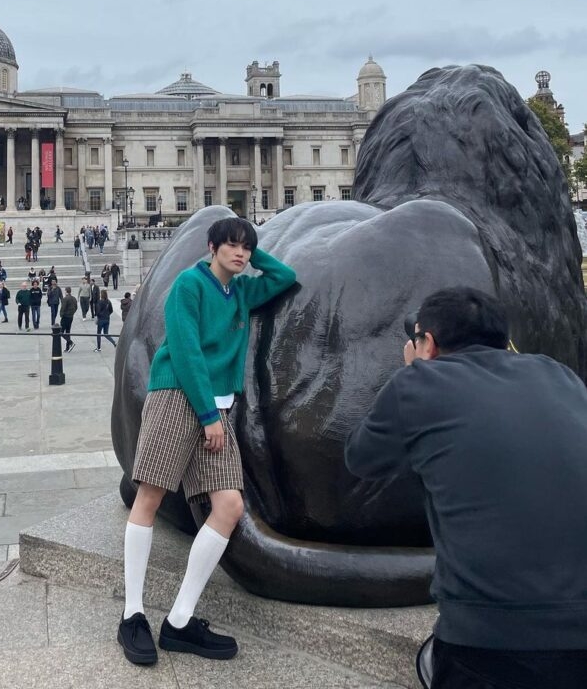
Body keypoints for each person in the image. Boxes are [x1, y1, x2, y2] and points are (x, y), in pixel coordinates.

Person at [344, 287, 587, 689]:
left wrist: (411, 372)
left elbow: (361, 458)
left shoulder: (419, 382)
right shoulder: (560, 375)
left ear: (428, 343)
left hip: (488, 640)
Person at [117, 217, 296, 666]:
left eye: (245, 249)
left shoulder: (241, 294)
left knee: (229, 506)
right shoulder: (188, 285)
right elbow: (186, 349)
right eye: (231, 246)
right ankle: (132, 614)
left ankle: (178, 621)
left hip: (215, 409)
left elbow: (285, 278)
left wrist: (257, 247)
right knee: (151, 496)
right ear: (212, 247)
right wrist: (208, 415)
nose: (239, 254)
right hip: (179, 396)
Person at [60, 286, 77, 351]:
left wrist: (61, 315)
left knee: (61, 332)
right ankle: (67, 347)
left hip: (65, 317)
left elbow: (63, 308)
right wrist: (72, 313)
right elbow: (76, 307)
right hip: (70, 317)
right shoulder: (74, 298)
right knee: (68, 331)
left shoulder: (65, 299)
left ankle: (70, 342)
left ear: (66, 291)